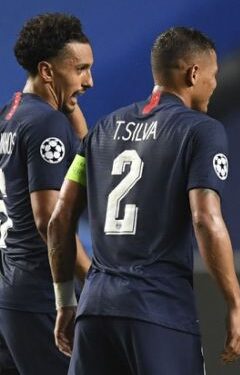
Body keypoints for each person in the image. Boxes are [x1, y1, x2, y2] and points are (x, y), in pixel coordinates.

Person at [47, 27, 240, 374]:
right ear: (194, 73)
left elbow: (60, 220)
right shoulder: (201, 130)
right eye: (213, 76)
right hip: (157, 311)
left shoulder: (101, 131)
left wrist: (66, 302)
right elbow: (205, 219)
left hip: (95, 312)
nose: (214, 85)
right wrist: (235, 305)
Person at [0, 13, 92, 375]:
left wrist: (70, 105)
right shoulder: (45, 123)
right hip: (39, 294)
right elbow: (50, 219)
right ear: (48, 71)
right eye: (81, 69)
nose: (89, 81)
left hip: (9, 289)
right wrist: (92, 275)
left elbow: (84, 154)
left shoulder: (10, 115)